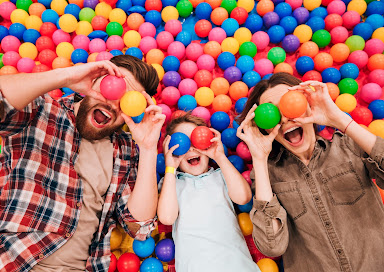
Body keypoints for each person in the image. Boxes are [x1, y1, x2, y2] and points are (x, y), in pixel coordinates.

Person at [0, 55, 165, 272]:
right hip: (12, 261)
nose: (113, 104)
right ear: (95, 81)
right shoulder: (40, 110)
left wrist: (149, 148)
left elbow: (139, 229)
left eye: (127, 101)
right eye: (113, 87)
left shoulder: (126, 149)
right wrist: (65, 77)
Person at [236, 72, 384, 272]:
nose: (285, 119)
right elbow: (272, 246)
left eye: (290, 105)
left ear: (307, 106)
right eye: (273, 113)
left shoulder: (349, 146)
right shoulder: (267, 175)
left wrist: (340, 120)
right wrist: (259, 159)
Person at [157, 113, 261, 272]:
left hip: (237, 266)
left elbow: (243, 197)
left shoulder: (221, 175)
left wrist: (219, 156)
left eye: (197, 140)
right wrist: (170, 167)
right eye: (182, 143)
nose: (191, 148)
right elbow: (166, 217)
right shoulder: (172, 183)